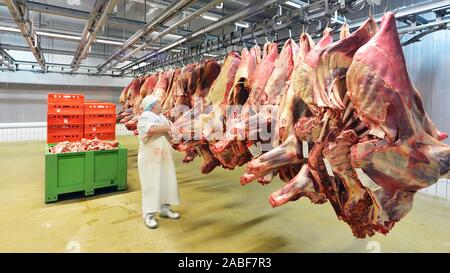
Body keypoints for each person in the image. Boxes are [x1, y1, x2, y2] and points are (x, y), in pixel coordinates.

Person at [137, 95, 180, 229]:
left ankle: (165, 209)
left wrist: (173, 137)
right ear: (153, 106)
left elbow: (167, 132)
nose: (162, 105)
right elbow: (151, 130)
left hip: (164, 155)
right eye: (159, 103)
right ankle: (149, 215)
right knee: (151, 184)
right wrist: (169, 128)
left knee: (167, 181)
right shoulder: (146, 116)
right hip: (150, 157)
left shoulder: (162, 117)